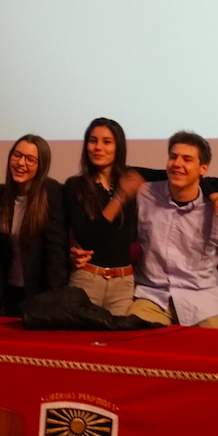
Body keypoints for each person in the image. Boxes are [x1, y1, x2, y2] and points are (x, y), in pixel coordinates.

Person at [128, 131, 218, 328]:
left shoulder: (217, 209)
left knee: (217, 345)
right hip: (152, 295)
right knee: (133, 341)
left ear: (203, 168)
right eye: (173, 157)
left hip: (201, 300)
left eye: (187, 159)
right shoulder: (145, 195)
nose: (177, 163)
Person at [0, 135, 69, 317]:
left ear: (41, 165)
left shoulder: (51, 192)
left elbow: (56, 252)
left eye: (30, 159)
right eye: (17, 155)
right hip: (9, 294)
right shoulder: (2, 195)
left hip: (41, 295)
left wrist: (53, 302)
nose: (21, 163)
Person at [63, 119, 139, 315]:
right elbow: (88, 237)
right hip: (87, 278)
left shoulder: (130, 179)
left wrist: (214, 195)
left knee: (118, 334)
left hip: (123, 282)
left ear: (118, 147)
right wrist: (120, 198)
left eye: (107, 142)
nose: (98, 147)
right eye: (93, 141)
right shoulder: (75, 186)